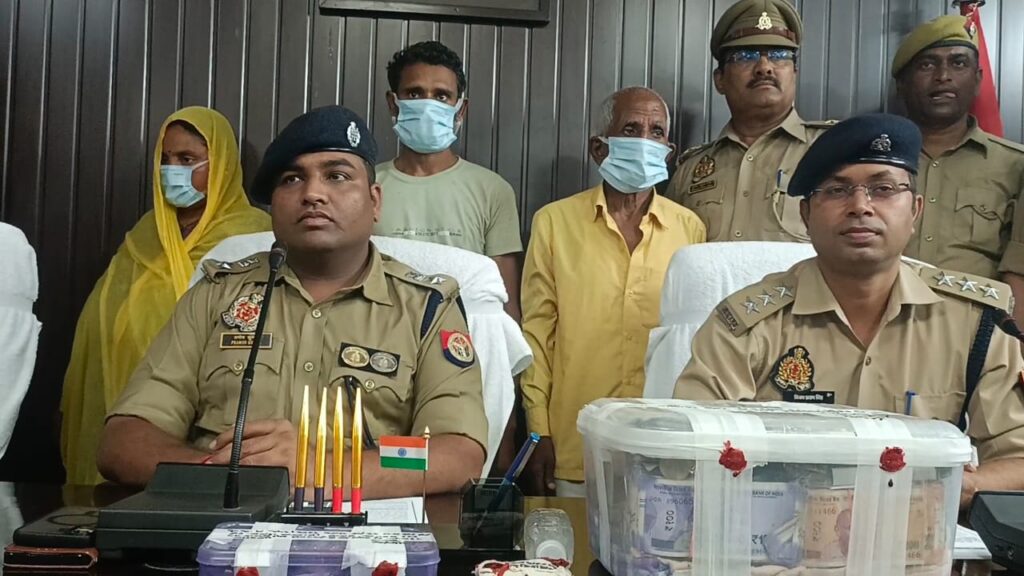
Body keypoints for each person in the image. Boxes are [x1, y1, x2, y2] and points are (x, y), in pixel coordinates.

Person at [97, 105, 488, 498]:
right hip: (219, 517)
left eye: (336, 176)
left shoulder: (425, 308)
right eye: (292, 179)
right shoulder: (216, 294)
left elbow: (454, 453)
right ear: (273, 205)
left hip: (362, 527)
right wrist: (225, 474)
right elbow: (124, 440)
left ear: (375, 201)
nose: (313, 193)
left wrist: (319, 469)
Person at [674, 113, 1024, 510]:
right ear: (806, 216)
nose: (860, 206)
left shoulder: (975, 322)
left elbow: (1017, 458)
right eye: (837, 190)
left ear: (915, 211)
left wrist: (957, 487)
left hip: (919, 535)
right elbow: (688, 453)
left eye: (883, 189)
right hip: (778, 537)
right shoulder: (747, 323)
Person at [61, 107, 271, 485]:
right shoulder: (146, 233)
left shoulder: (253, 237)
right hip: (126, 399)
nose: (172, 170)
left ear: (222, 166)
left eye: (187, 159)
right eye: (165, 159)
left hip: (204, 406)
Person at [522, 87, 706, 497]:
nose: (644, 141)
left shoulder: (690, 229)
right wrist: (538, 431)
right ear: (599, 148)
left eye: (656, 132)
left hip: (664, 445)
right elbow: (537, 334)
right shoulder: (554, 223)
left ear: (669, 152)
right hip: (574, 442)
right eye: (631, 129)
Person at [375, 40, 523, 322]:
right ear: (393, 103)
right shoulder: (364, 188)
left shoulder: (493, 191)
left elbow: (504, 307)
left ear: (460, 109)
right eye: (415, 93)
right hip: (378, 339)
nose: (428, 105)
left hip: (464, 342)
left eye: (442, 96)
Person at [891, 15, 1024, 328]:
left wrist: (1011, 344)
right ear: (902, 84)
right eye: (927, 65)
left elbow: (1019, 272)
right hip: (881, 326)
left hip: (976, 333)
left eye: (958, 63)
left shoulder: (1015, 166)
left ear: (977, 80)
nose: (943, 76)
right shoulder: (871, 161)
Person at [665, 0, 834, 242]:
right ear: (720, 80)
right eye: (745, 55)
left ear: (794, 74)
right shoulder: (690, 171)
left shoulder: (831, 152)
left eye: (779, 55)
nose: (764, 67)